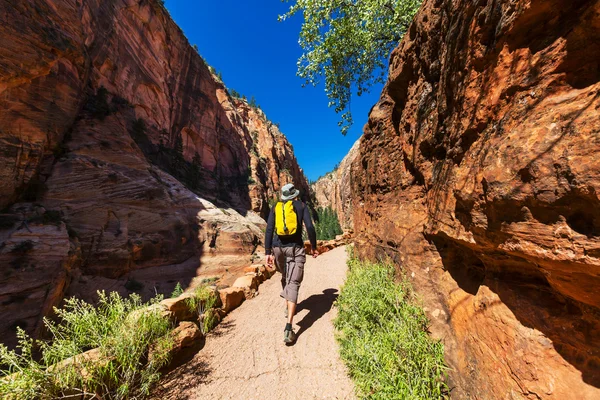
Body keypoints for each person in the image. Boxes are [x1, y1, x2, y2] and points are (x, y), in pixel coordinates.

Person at [265, 183, 318, 345]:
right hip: (295, 248)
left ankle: (287, 303)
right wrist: (314, 247)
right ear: (294, 195)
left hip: (277, 248)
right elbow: (309, 226)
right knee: (293, 283)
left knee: (285, 276)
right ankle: (289, 328)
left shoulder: (276, 207)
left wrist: (267, 252)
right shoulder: (301, 206)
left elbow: (269, 229)